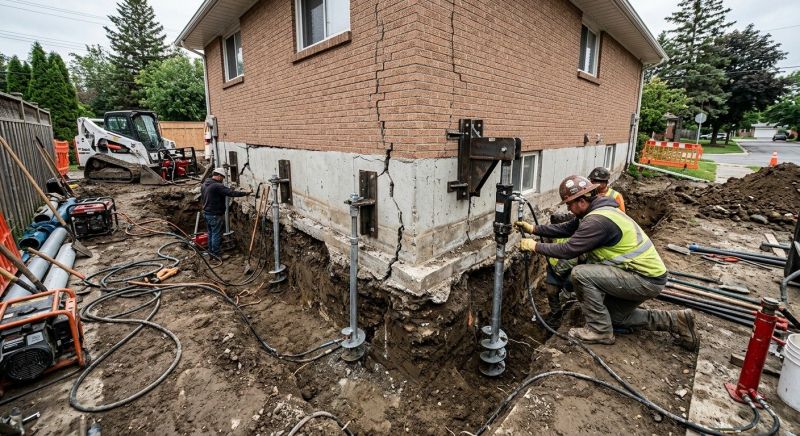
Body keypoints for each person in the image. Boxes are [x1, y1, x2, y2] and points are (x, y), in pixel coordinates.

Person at [514, 175, 698, 350]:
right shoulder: (599, 211)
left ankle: (600, 331)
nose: (569, 209)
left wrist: (534, 246)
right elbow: (566, 228)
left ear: (581, 201)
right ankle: (677, 321)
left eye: (569, 204)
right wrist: (534, 229)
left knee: (581, 273)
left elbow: (568, 250)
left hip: (644, 280)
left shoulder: (597, 221)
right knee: (614, 318)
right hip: (644, 276)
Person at [201, 168, 250, 260]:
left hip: (207, 213)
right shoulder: (217, 186)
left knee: (211, 234)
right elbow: (231, 193)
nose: (222, 180)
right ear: (219, 176)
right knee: (216, 234)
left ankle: (211, 254)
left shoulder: (205, 184)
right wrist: (245, 193)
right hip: (215, 214)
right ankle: (216, 255)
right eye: (222, 177)